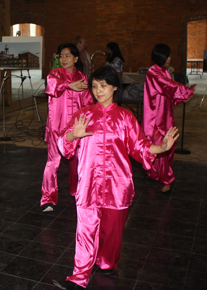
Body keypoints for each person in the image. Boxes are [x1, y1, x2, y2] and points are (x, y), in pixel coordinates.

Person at [53, 66, 180, 290]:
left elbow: (139, 147)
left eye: (103, 86)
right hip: (89, 183)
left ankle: (107, 263)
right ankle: (79, 275)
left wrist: (161, 147)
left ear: (114, 87)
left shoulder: (125, 117)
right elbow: (64, 143)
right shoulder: (84, 114)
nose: (98, 91)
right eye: (94, 86)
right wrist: (74, 134)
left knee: (112, 230)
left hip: (117, 184)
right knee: (85, 230)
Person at [40, 43, 93, 213]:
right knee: (52, 163)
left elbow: (87, 103)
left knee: (77, 161)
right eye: (61, 56)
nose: (63, 59)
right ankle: (48, 198)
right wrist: (70, 85)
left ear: (76, 59)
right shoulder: (54, 74)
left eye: (67, 56)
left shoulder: (83, 78)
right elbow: (52, 86)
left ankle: (76, 190)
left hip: (75, 129)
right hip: (56, 128)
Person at [142, 43, 196, 193]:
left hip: (166, 117)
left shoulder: (164, 71)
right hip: (155, 120)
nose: (170, 59)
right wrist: (187, 91)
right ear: (161, 57)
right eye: (168, 56)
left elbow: (170, 93)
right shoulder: (153, 73)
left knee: (167, 149)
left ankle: (154, 174)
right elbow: (169, 86)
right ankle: (166, 181)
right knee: (162, 150)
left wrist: (181, 98)